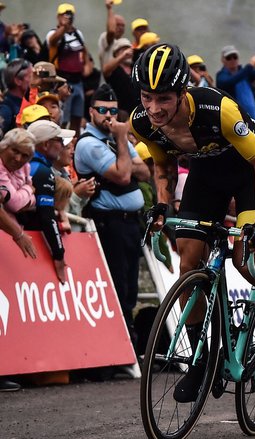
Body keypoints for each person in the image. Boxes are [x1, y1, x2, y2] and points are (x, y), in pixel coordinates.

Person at [129, 43, 255, 402]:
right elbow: (164, 166)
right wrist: (162, 205)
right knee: (188, 262)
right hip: (206, 176)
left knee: (246, 260)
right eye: (146, 97)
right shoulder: (141, 122)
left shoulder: (218, 110)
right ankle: (203, 360)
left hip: (248, 173)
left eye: (164, 99)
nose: (154, 108)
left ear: (182, 92)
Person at [74, 84, 149, 334]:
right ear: (91, 111)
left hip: (130, 223)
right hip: (109, 223)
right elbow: (124, 175)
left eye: (114, 112)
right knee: (117, 285)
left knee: (130, 287)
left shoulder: (112, 137)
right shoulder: (90, 143)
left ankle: (128, 340)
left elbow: (145, 171)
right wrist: (121, 139)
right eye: (103, 110)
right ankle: (120, 343)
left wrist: (122, 150)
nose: (109, 116)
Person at [23, 121, 75, 283]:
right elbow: (47, 217)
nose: (62, 145)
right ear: (46, 144)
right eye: (59, 141)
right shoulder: (43, 172)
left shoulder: (26, 164)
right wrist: (59, 254)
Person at [46, 3, 87, 135]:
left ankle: (74, 144)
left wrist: (86, 67)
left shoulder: (78, 34)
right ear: (58, 17)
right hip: (63, 81)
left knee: (77, 116)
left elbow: (84, 52)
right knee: (62, 116)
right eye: (64, 14)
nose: (67, 17)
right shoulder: (53, 33)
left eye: (69, 15)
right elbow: (52, 41)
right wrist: (63, 27)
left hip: (78, 81)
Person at [215, 45, 255, 120]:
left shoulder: (245, 73)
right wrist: (250, 65)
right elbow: (231, 81)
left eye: (235, 57)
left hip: (253, 117)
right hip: (234, 118)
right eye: (229, 58)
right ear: (223, 60)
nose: (232, 60)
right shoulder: (221, 76)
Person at [102, 37, 138, 116]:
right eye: (123, 49)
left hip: (137, 111)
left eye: (128, 49)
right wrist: (122, 56)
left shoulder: (135, 67)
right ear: (116, 53)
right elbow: (105, 70)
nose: (128, 52)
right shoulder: (114, 70)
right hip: (121, 113)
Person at [1, 59, 32, 134]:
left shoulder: (28, 100)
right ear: (18, 81)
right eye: (31, 76)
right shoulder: (6, 109)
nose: (34, 80)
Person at [97, 0, 125, 69]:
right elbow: (111, 31)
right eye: (117, 25)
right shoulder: (105, 38)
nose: (120, 28)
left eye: (122, 25)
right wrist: (109, 8)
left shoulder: (124, 42)